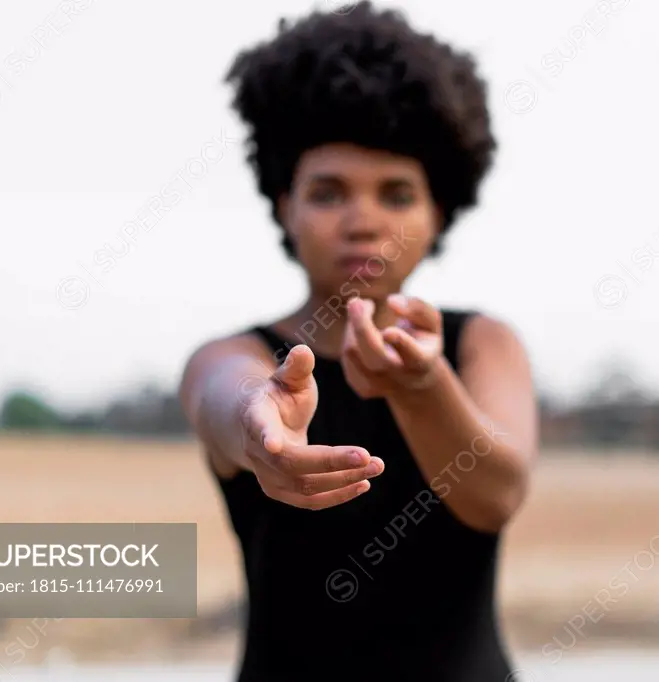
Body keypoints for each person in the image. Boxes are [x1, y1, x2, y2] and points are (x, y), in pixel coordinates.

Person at [178, 3, 539, 680]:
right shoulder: (238, 356)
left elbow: (496, 493)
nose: (362, 220)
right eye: (328, 192)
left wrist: (423, 387)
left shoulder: (483, 345)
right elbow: (225, 396)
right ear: (285, 205)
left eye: (397, 194)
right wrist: (260, 429)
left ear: (439, 212)